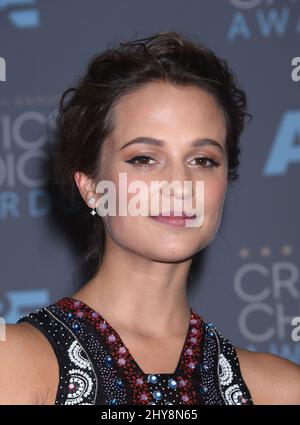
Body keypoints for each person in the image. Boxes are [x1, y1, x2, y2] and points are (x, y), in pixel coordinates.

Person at [1, 31, 300, 405]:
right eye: (144, 158)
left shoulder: (282, 392)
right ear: (91, 186)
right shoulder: (15, 364)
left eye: (203, 160)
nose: (179, 185)